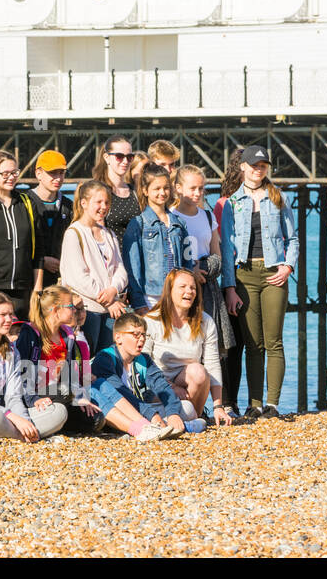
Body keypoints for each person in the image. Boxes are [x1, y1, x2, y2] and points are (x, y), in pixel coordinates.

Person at [220, 144, 299, 420]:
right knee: (253, 344)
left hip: (273, 273)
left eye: (263, 165)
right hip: (244, 276)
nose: (258, 169)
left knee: (274, 341)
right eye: (254, 165)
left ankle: (273, 404)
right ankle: (254, 404)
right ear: (242, 167)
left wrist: (288, 267)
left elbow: (293, 239)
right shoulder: (232, 203)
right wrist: (229, 288)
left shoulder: (278, 198)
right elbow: (226, 249)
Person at [0, 292, 67, 442]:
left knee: (59, 411)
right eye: (3, 315)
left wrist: (24, 420)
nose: (9, 320)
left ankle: (22, 433)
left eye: (10, 314)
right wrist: (13, 418)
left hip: (4, 413)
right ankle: (22, 435)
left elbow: (13, 397)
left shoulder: (11, 351)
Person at [172, 164, 235, 396]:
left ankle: (219, 402)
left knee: (211, 344)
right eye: (192, 188)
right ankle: (191, 399)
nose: (197, 194)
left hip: (207, 287)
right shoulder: (171, 217)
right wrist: (190, 272)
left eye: (201, 189)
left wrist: (205, 267)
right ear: (178, 188)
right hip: (181, 289)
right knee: (187, 346)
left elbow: (217, 253)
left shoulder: (208, 217)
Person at [143, 269, 231, 429]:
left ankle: (191, 417)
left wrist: (218, 406)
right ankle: (185, 421)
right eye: (182, 287)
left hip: (189, 387)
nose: (189, 291)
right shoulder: (151, 320)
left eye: (193, 288)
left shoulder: (205, 321)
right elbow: (143, 363)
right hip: (157, 386)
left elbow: (212, 364)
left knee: (199, 371)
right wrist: (172, 387)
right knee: (181, 408)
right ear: (169, 290)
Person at [90, 312, 187, 441]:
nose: (141, 339)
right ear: (118, 338)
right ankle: (174, 427)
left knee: (186, 408)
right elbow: (120, 394)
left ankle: (169, 425)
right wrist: (153, 415)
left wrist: (173, 414)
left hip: (142, 407)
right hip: (119, 411)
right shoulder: (105, 358)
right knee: (182, 413)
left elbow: (162, 386)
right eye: (135, 334)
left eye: (143, 335)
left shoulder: (144, 359)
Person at [19, 285, 101, 434]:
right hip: (35, 396)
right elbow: (20, 374)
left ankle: (59, 422)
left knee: (95, 419)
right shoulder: (30, 334)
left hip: (59, 394)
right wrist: (33, 399)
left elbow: (70, 374)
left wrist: (80, 397)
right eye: (70, 306)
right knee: (64, 392)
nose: (74, 310)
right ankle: (48, 421)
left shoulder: (67, 335)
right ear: (56, 310)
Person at [59, 179, 128, 355]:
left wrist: (114, 289)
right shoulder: (74, 234)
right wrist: (109, 299)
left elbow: (120, 268)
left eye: (106, 202)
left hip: (110, 311)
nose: (103, 207)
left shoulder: (109, 234)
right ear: (84, 203)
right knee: (87, 358)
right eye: (98, 202)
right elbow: (78, 277)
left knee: (107, 359)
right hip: (87, 310)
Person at [0, 150, 43, 320]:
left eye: (14, 173)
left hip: (22, 287)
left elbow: (38, 249)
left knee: (20, 339)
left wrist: (37, 289)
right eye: (5, 173)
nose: (11, 177)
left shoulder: (27, 203)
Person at [123, 163, 193, 312]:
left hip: (178, 294)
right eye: (157, 188)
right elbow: (133, 268)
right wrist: (139, 303)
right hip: (151, 296)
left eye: (166, 188)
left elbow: (188, 262)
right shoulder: (138, 224)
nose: (162, 192)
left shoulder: (179, 223)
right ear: (145, 190)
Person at [214, 147, 247, 415]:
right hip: (232, 278)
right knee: (230, 343)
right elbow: (223, 248)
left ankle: (236, 400)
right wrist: (228, 286)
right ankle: (227, 401)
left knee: (243, 343)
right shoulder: (225, 204)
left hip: (248, 277)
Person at [28, 150, 72, 288]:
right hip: (31, 281)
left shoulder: (69, 206)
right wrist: (41, 261)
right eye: (53, 173)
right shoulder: (24, 203)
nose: (58, 178)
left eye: (61, 173)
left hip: (61, 282)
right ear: (38, 174)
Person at [93, 136, 141, 245]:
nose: (125, 161)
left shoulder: (135, 191)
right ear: (106, 157)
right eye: (119, 156)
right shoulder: (98, 191)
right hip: (110, 258)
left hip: (136, 259)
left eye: (129, 157)